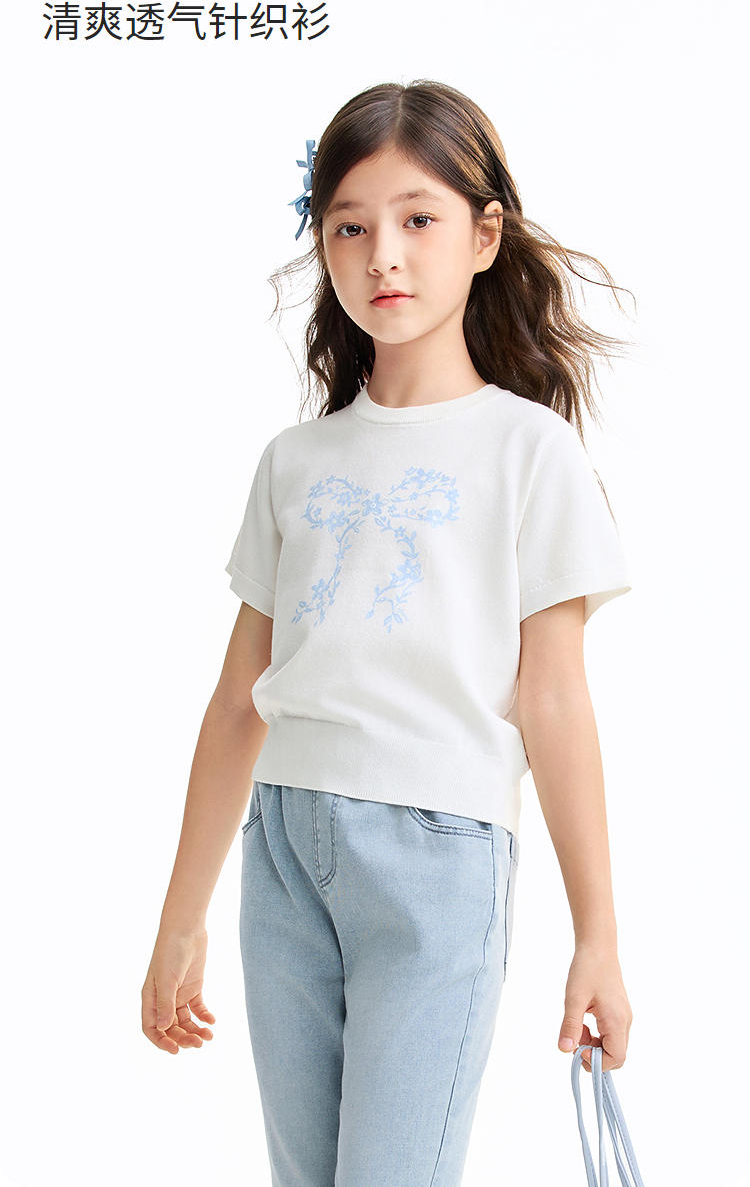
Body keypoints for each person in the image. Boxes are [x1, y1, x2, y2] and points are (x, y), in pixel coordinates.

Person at [141, 79, 635, 1186]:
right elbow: (237, 702)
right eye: (350, 228)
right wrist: (181, 920)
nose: (384, 257)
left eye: (418, 219)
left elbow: (554, 700)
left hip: (439, 856)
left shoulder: (529, 451)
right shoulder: (294, 462)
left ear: (484, 235)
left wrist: (596, 936)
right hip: (282, 850)